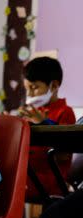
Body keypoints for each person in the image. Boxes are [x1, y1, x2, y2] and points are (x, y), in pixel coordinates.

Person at [17, 56, 76, 199]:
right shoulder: (29, 113)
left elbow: (63, 155)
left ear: (54, 86)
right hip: (24, 180)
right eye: (27, 88)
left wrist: (43, 123)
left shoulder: (65, 112)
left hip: (50, 185)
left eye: (34, 87)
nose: (29, 94)